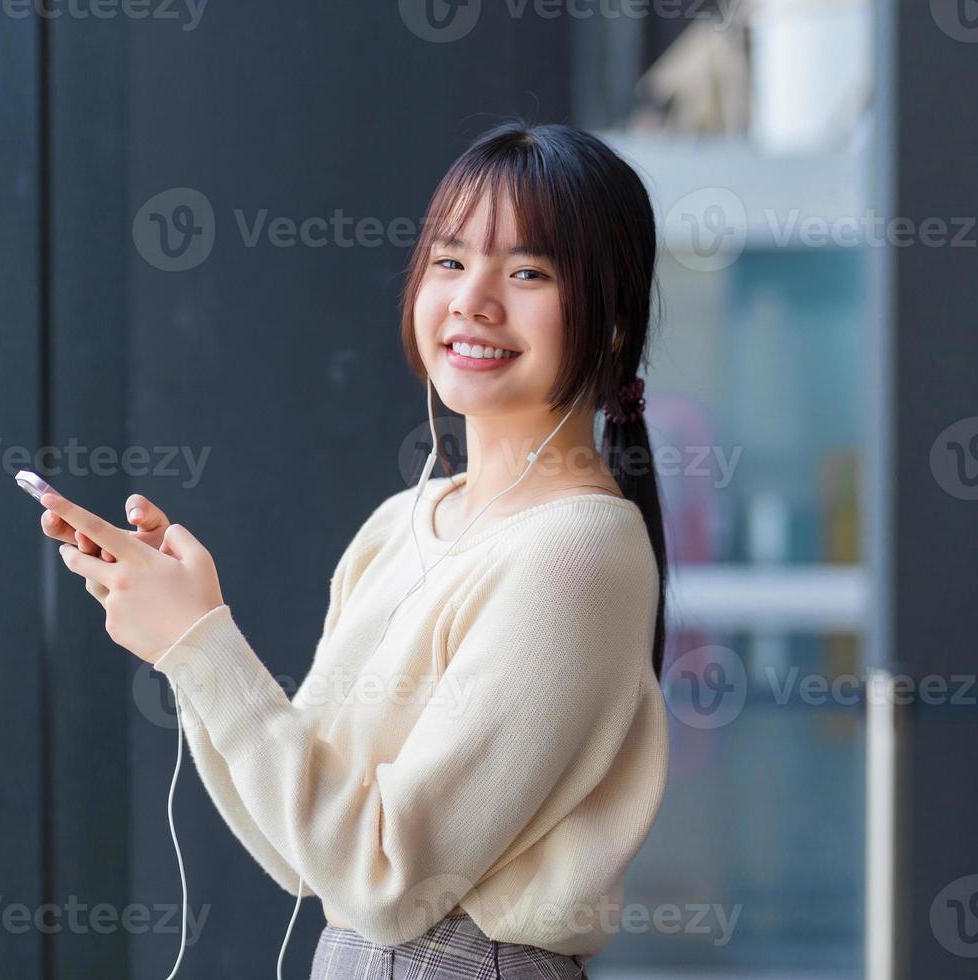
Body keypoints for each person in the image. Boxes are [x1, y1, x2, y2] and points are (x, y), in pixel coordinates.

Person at [39, 120, 670, 979]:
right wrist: (185, 639)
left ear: (613, 326)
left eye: (527, 272)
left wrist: (203, 641)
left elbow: (390, 880)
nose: (473, 301)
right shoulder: (401, 523)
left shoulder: (579, 551)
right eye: (450, 261)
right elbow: (305, 855)